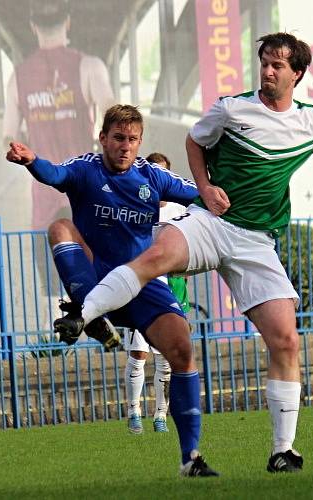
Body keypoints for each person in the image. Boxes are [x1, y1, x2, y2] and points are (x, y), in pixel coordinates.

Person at [53, 32, 313, 473]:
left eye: (278, 65)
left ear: (297, 73)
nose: (267, 70)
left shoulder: (310, 123)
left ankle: (283, 451)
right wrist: (204, 187)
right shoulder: (231, 108)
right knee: (153, 259)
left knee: (286, 340)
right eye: (264, 62)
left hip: (256, 241)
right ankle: (82, 314)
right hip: (211, 222)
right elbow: (195, 141)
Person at [6, 104, 219, 477]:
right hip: (97, 273)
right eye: (118, 138)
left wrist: (225, 195)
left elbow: (199, 193)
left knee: (182, 351)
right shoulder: (86, 168)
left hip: (143, 281)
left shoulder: (152, 176)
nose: (125, 146)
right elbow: (55, 174)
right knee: (60, 227)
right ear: (103, 138)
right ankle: (89, 310)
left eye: (132, 140)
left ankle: (191, 458)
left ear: (139, 143)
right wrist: (31, 160)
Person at [2, 0, 115, 230]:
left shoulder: (18, 78)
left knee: (49, 263)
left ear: (33, 27)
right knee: (98, 264)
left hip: (44, 197)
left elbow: (8, 138)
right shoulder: (90, 67)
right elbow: (115, 118)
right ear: (68, 22)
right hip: (84, 189)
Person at [124, 153, 191, 435]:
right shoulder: (134, 206)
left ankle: (161, 415)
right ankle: (133, 412)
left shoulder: (178, 211)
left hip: (172, 288)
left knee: (167, 358)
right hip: (141, 288)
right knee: (138, 353)